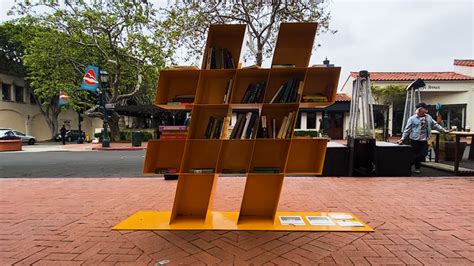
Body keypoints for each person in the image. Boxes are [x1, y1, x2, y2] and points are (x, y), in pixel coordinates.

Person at [397, 102, 448, 174]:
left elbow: (435, 125)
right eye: (425, 108)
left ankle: (408, 164)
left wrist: (444, 131)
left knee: (423, 153)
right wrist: (402, 138)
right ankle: (417, 168)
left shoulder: (428, 117)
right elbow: (407, 129)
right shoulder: (412, 118)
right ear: (420, 109)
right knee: (415, 154)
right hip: (415, 139)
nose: (426, 109)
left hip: (424, 139)